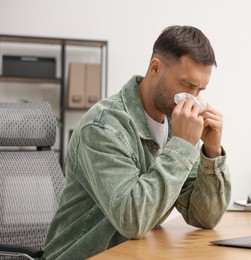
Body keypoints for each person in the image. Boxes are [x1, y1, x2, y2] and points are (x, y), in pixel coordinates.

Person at [42, 25, 231, 259]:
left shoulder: (177, 126)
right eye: (186, 84)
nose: (192, 99)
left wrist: (211, 152)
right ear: (155, 67)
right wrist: (182, 146)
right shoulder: (102, 128)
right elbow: (132, 220)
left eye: (200, 90)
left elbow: (204, 217)